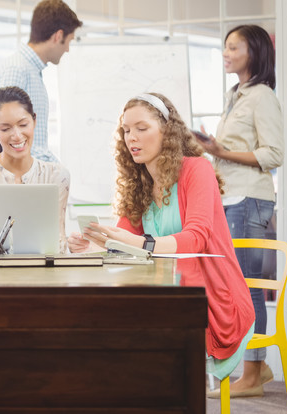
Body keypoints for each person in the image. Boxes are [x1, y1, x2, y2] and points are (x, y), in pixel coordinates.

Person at [67, 92, 255, 381]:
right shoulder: (138, 181)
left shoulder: (197, 169)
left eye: (142, 129)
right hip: (168, 293)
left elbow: (196, 239)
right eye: (126, 131)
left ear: (167, 131)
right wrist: (93, 242)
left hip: (211, 298)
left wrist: (141, 244)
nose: (132, 138)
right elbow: (124, 241)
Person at [195, 24, 283, 399]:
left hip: (250, 199)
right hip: (233, 199)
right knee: (236, 286)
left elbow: (273, 154)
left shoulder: (262, 95)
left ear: (255, 52)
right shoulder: (236, 94)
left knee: (246, 289)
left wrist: (219, 151)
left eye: (234, 47)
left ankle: (253, 372)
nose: (226, 53)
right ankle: (255, 367)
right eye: (225, 47)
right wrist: (212, 149)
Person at [0, 86, 70, 253]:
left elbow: (58, 242)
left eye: (23, 124)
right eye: (5, 129)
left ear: (34, 121)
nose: (17, 135)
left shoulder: (56, 176)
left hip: (44, 274)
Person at [0, 0, 82, 163]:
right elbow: (5, 141)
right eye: (69, 41)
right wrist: (54, 167)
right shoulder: (17, 70)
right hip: (7, 183)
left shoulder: (30, 71)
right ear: (58, 36)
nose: (67, 49)